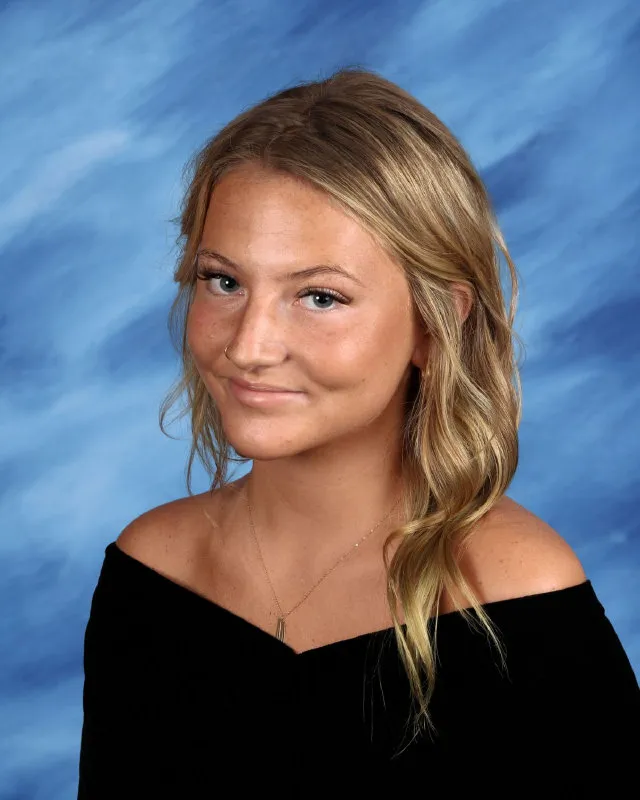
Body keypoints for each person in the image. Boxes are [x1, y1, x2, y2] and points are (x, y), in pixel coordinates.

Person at [77, 67, 639, 796]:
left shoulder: (512, 595)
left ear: (436, 325)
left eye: (319, 296)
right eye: (223, 281)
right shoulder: (151, 570)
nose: (249, 345)